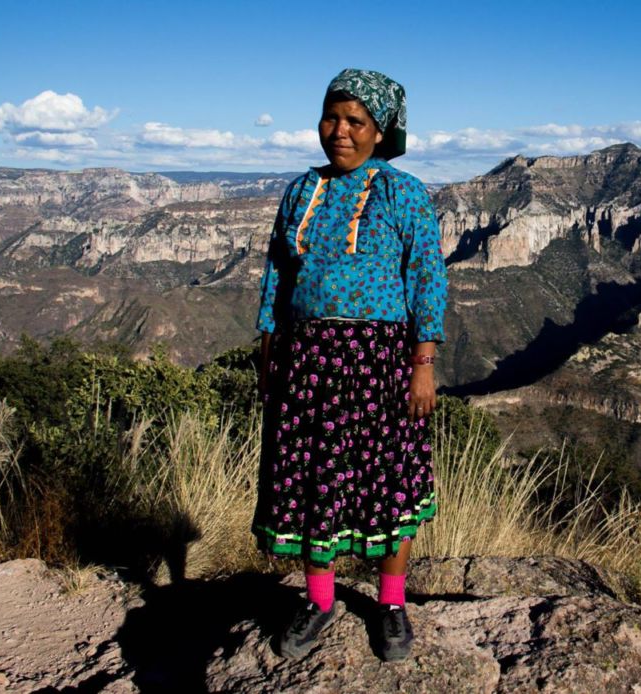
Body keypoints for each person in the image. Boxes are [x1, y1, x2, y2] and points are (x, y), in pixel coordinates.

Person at [251, 67, 447, 663]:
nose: (339, 131)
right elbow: (277, 274)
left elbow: (426, 276)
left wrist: (424, 361)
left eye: (355, 121)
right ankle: (319, 600)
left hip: (379, 362)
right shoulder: (300, 191)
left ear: (380, 130)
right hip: (307, 360)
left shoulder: (401, 192)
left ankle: (390, 605)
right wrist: (267, 345)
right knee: (314, 479)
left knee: (386, 480)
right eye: (331, 118)